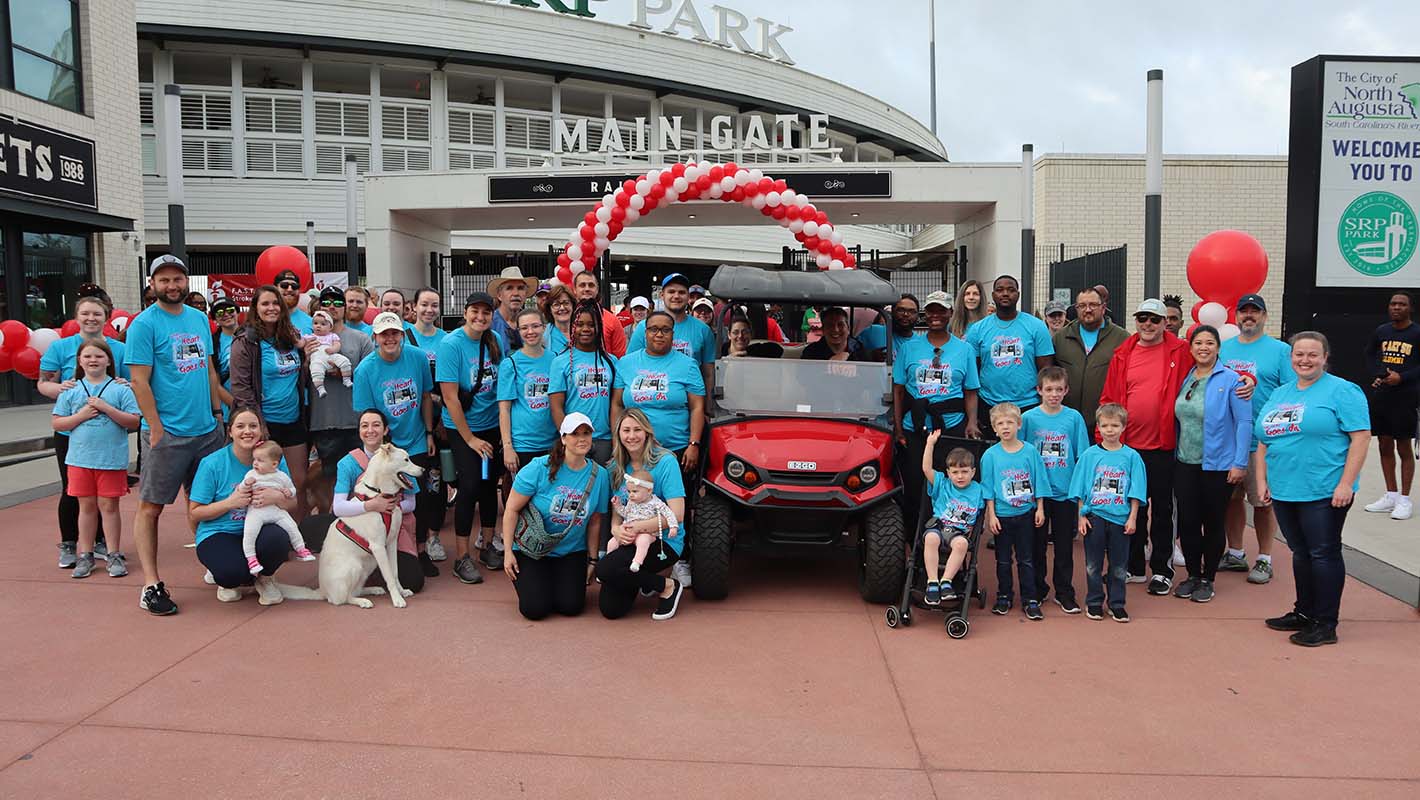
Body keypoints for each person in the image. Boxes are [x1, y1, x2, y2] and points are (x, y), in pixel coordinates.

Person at [126, 254, 228, 616]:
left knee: (200, 502)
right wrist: (154, 427)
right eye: (164, 280)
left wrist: (218, 414)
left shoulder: (200, 319)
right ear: (153, 284)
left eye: (178, 279)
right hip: (167, 433)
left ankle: (213, 563)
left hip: (206, 430)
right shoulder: (143, 325)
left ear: (187, 282)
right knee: (151, 507)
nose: (172, 286)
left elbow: (210, 371)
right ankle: (151, 584)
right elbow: (139, 380)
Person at [1256, 332, 1370, 647]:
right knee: (1300, 552)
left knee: (1323, 553)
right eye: (1299, 354)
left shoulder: (1343, 391)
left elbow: (1360, 437)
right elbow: (1264, 439)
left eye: (1312, 355)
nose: (1305, 360)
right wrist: (1263, 480)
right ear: (1291, 358)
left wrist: (1346, 483)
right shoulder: (1280, 393)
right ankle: (1304, 612)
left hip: (1324, 488)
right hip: (1284, 488)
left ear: (1325, 357)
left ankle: (1325, 622)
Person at [1099, 298, 1191, 595]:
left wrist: (1248, 378)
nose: (1148, 325)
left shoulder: (1180, 351)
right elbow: (1109, 398)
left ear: (1166, 323)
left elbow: (1210, 369)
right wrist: (1106, 442)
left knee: (1162, 510)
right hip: (1128, 448)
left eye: (1154, 319)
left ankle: (1162, 569)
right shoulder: (1123, 354)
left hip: (1163, 447)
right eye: (1142, 319)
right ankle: (1134, 566)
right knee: (1129, 508)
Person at [37, 293, 129, 568]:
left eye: (97, 314)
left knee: (106, 494)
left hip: (107, 433)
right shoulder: (60, 347)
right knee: (73, 491)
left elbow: (130, 382)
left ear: (106, 318)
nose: (91, 318)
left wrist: (125, 386)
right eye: (85, 313)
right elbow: (43, 383)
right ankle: (69, 542)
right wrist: (61, 389)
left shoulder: (119, 349)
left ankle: (102, 542)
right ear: (76, 318)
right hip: (71, 433)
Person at [352, 311, 438, 578]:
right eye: (383, 334)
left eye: (394, 333)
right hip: (386, 445)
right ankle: (388, 550)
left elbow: (425, 397)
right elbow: (367, 416)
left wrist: (429, 432)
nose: (389, 338)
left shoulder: (417, 357)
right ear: (375, 337)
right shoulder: (365, 370)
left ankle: (420, 549)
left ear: (402, 334)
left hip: (416, 440)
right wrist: (380, 447)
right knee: (387, 499)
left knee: (420, 497)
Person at [502, 412, 611, 621]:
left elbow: (595, 520)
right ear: (563, 439)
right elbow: (511, 509)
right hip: (533, 549)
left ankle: (553, 580)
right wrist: (508, 551)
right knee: (535, 609)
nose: (581, 439)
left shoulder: (600, 475)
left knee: (571, 606)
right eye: (575, 434)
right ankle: (538, 580)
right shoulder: (538, 467)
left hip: (571, 550)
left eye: (586, 433)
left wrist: (593, 560)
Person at [1171, 325, 1251, 604]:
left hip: (1217, 464)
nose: (1203, 348)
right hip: (1185, 461)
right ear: (1190, 348)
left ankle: (1208, 578)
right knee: (1189, 522)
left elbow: (1243, 423)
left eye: (1209, 343)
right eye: (1198, 343)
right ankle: (1193, 574)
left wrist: (1240, 463)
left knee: (1213, 522)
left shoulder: (1233, 380)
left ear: (1218, 347)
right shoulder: (1186, 377)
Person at [1219, 293, 1294, 584]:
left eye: (1255, 311)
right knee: (1232, 499)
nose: (1249, 316)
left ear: (1264, 316)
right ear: (1235, 316)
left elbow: (1290, 392)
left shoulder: (1279, 350)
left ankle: (1264, 558)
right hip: (1229, 440)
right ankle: (1235, 552)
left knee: (1263, 501)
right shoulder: (1224, 349)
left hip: (1262, 441)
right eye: (1244, 311)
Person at [50, 340, 140, 579]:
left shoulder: (121, 389)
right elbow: (58, 423)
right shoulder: (71, 390)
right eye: (87, 356)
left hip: (110, 460)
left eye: (99, 356)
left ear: (109, 360)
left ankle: (113, 553)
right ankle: (86, 554)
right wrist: (81, 415)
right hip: (80, 459)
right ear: (79, 361)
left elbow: (133, 421)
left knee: (109, 507)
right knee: (86, 507)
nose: (93, 360)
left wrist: (106, 408)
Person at [188, 408, 296, 605]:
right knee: (233, 573)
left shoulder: (273, 460)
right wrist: (231, 502)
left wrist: (276, 497)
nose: (247, 431)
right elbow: (195, 512)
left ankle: (265, 577)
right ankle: (224, 577)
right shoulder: (212, 463)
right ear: (230, 432)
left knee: (279, 538)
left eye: (253, 426)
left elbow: (293, 502)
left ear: (261, 431)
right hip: (220, 531)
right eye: (240, 426)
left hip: (260, 528)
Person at [437, 292, 507, 583]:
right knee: (470, 487)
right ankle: (462, 556)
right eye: (474, 311)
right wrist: (469, 439)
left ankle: (487, 545)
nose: (480, 317)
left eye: (486, 312)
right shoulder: (451, 345)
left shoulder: (495, 340)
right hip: (462, 428)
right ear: (465, 312)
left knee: (490, 485)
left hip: (491, 425)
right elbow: (450, 398)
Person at [596, 408, 689, 620]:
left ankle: (668, 587)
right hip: (629, 540)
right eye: (626, 430)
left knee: (606, 569)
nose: (631, 436)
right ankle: (646, 579)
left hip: (663, 542)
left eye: (637, 429)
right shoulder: (615, 467)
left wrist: (638, 527)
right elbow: (618, 513)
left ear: (647, 432)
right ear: (618, 434)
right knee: (611, 609)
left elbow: (678, 514)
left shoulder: (665, 462)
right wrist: (616, 530)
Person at [893, 290, 980, 515]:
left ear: (950, 313)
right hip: (915, 427)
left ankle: (945, 534)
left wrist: (971, 422)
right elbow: (899, 390)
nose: (935, 315)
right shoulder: (908, 348)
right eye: (931, 310)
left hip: (950, 427)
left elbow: (970, 390)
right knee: (914, 484)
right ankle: (915, 539)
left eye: (941, 310)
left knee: (949, 483)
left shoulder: (965, 350)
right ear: (925, 313)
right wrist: (898, 427)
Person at [229, 284, 309, 520]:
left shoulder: (290, 337)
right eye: (265, 303)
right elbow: (241, 387)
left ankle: (297, 532)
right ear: (255, 308)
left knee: (298, 482)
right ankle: (269, 534)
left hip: (294, 419)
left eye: (275, 303)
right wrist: (257, 425)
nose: (271, 308)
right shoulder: (245, 341)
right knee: (266, 483)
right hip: (264, 422)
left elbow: (299, 374)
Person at [331, 408, 425, 595]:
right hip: (362, 533)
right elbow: (338, 507)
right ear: (359, 431)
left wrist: (390, 507)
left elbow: (411, 503)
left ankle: (379, 574)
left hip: (393, 532)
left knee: (414, 582)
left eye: (376, 425)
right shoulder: (347, 463)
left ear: (385, 430)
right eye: (364, 426)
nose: (370, 430)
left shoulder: (399, 456)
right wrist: (371, 506)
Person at [1070, 403, 1147, 622]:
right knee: (1093, 564)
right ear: (1099, 428)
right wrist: (1081, 516)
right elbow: (1081, 488)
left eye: (1115, 425)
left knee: (1119, 565)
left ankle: (1117, 603)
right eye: (1105, 425)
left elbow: (1136, 491)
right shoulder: (1089, 456)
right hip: (1095, 516)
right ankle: (1094, 602)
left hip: (1120, 519)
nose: (1110, 430)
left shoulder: (1132, 457)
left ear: (1123, 427)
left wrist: (1132, 518)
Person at [1021, 366, 1089, 613]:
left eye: (1059, 389)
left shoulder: (1073, 418)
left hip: (1064, 492)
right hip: (1037, 493)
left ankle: (1064, 591)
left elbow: (1081, 455)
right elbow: (1021, 454)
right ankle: (1037, 590)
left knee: (1063, 545)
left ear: (1066, 391)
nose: (1054, 394)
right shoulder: (1028, 419)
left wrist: (1079, 490)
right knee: (1036, 545)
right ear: (1039, 390)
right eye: (1048, 389)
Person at [306, 286, 375, 516]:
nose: (332, 308)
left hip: (357, 421)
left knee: (361, 478)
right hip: (324, 420)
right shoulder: (310, 340)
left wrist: (343, 371)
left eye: (338, 303)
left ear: (344, 308)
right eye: (327, 303)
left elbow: (370, 375)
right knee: (328, 479)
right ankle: (328, 524)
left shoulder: (361, 339)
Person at [980, 402, 1049, 620]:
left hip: (1026, 514)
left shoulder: (1030, 452)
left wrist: (1040, 508)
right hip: (1002, 515)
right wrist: (991, 515)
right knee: (1002, 559)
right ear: (994, 428)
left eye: (1010, 422)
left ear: (1019, 424)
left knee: (1026, 558)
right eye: (1000, 423)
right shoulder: (990, 456)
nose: (1006, 427)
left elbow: (1039, 480)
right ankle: (1004, 596)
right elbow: (988, 488)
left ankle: (1030, 598)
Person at [613, 310, 706, 466]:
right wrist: (617, 442)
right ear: (645, 333)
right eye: (653, 329)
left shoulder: (688, 365)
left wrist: (694, 444)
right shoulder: (625, 363)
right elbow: (616, 404)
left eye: (665, 330)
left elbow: (697, 407)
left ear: (672, 333)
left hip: (676, 450)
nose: (659, 334)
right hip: (633, 451)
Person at [1361, 291, 1420, 521]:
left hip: (1406, 396)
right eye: (1393, 304)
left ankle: (1405, 499)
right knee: (1384, 444)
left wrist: (1402, 378)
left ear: (1410, 308)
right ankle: (1391, 495)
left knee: (1403, 447)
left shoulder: (1416, 333)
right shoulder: (1382, 331)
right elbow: (1369, 353)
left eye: (1402, 304)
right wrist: (1377, 373)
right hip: (1383, 395)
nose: (1396, 307)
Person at [964, 276, 1055, 420]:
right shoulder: (977, 330)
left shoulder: (1036, 326)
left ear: (1018, 295)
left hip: (1028, 404)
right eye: (1000, 290)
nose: (1005, 293)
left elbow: (1046, 370)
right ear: (993, 295)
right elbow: (972, 372)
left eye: (1011, 290)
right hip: (988, 403)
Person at [1052, 287, 1127, 439]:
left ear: (1103, 308)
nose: (1087, 310)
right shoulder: (1060, 338)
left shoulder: (1122, 338)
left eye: (1093, 305)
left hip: (1105, 424)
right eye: (1082, 306)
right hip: (1066, 423)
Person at [627, 273, 716, 400]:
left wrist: (707, 407)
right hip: (649, 400)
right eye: (671, 292)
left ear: (688, 296)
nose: (676, 296)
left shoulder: (703, 330)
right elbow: (630, 366)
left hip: (690, 402)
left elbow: (708, 373)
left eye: (681, 292)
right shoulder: (643, 327)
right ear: (662, 295)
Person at [550, 302, 620, 464]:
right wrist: (567, 437)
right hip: (575, 439)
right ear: (573, 327)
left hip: (604, 439)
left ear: (599, 327)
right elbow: (556, 407)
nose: (585, 329)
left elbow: (616, 405)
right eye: (580, 324)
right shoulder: (560, 362)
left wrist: (617, 441)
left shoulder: (611, 361)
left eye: (591, 325)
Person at [920, 434, 985, 605]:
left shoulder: (979, 490)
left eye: (964, 472)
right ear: (948, 473)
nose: (960, 476)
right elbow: (927, 469)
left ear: (973, 472)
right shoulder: (943, 483)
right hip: (939, 528)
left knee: (962, 544)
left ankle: (946, 581)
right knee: (931, 538)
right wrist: (929, 443)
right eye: (955, 472)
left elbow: (986, 507)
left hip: (959, 533)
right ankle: (932, 581)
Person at [239, 439, 314, 573]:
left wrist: (288, 492)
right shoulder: (251, 474)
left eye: (260, 460)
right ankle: (251, 559)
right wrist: (246, 484)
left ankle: (301, 549)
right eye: (254, 459)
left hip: (276, 511)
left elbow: (292, 490)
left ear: (274, 464)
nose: (255, 463)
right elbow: (241, 488)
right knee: (250, 533)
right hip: (257, 511)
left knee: (292, 527)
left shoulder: (281, 476)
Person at [499, 308, 558, 473]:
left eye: (535, 326)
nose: (530, 331)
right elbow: (504, 409)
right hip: (523, 445)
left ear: (544, 327)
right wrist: (508, 447)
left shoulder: (556, 360)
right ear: (518, 331)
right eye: (524, 328)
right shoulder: (510, 363)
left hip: (552, 443)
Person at [608, 468, 679, 573]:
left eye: (635, 491)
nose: (631, 495)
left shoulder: (655, 502)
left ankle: (637, 562)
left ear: (649, 490)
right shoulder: (631, 502)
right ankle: (608, 561)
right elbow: (625, 513)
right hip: (629, 532)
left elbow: (669, 513)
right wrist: (617, 505)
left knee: (643, 542)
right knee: (612, 543)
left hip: (647, 533)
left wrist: (673, 527)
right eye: (629, 491)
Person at [571, 270, 628, 357]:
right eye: (582, 285)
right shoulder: (568, 318)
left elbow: (619, 357)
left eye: (591, 285)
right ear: (574, 290)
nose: (587, 289)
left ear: (597, 289)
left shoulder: (612, 320)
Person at [305, 310, 353, 397]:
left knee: (345, 361)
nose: (318, 326)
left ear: (330, 327)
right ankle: (320, 389)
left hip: (330, 356)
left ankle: (346, 379)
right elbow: (301, 342)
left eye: (323, 324)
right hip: (317, 359)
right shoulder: (310, 337)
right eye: (315, 323)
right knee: (315, 371)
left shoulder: (332, 336)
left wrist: (333, 349)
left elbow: (337, 344)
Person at [488, 267, 537, 351]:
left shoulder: (532, 322)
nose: (516, 293)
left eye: (520, 288)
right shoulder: (490, 323)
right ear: (499, 295)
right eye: (509, 288)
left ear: (525, 295)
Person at [803, 306, 871, 361]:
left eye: (840, 324)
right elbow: (802, 376)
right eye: (830, 325)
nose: (835, 329)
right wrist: (827, 365)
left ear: (848, 328)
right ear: (823, 330)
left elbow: (869, 376)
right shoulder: (810, 352)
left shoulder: (860, 351)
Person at [209, 297, 240, 418]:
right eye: (220, 313)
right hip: (227, 411)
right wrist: (238, 408)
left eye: (230, 310)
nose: (226, 314)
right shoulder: (212, 343)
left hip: (254, 404)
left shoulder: (252, 336)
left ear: (237, 312)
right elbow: (214, 382)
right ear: (215, 319)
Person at [405, 287, 446, 368]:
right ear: (414, 306)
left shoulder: (446, 339)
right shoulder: (402, 337)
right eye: (424, 305)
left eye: (434, 305)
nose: (429, 310)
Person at [274, 269, 313, 334]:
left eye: (294, 286)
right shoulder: (266, 319)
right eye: (284, 285)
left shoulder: (311, 322)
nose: (289, 289)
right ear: (275, 289)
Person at [543, 283, 575, 356]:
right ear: (550, 309)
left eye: (566, 303)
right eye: (556, 304)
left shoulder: (581, 332)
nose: (562, 308)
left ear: (573, 306)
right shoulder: (543, 336)